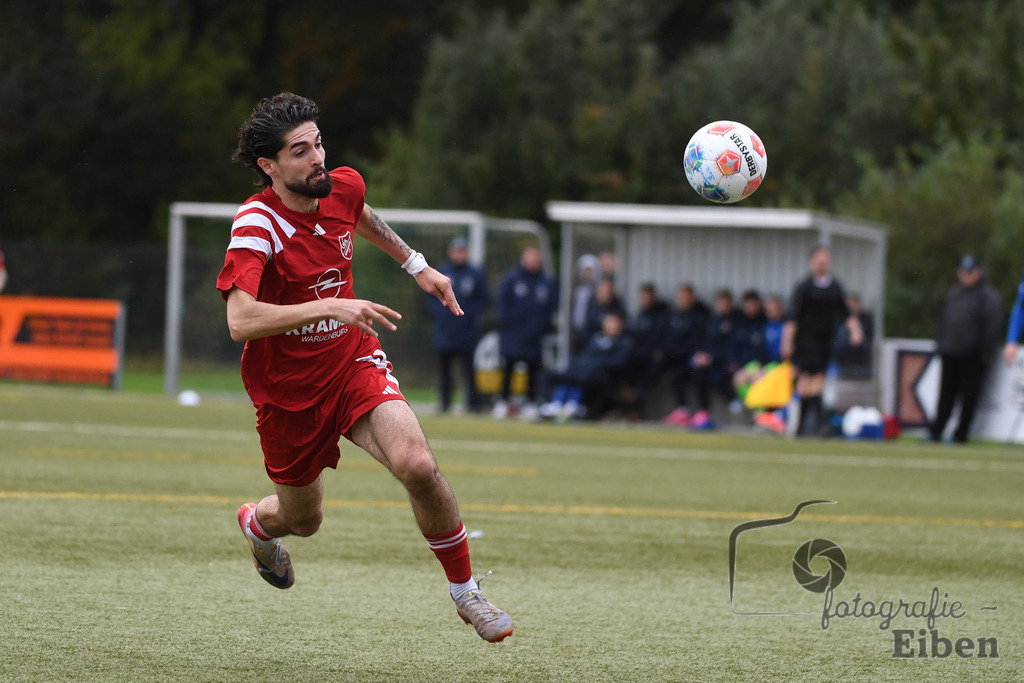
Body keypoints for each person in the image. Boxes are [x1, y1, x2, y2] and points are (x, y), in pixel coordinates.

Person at [217, 93, 512, 643]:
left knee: (418, 465)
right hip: (288, 393)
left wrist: (417, 265)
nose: (317, 158)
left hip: (353, 361)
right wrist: (332, 305)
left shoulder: (342, 185)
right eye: (300, 151)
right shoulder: (257, 224)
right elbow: (241, 319)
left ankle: (466, 592)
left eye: (318, 143)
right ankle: (258, 525)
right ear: (269, 166)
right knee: (303, 520)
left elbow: (362, 215)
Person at [781, 246, 863, 437]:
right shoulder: (804, 287)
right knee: (810, 380)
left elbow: (845, 312)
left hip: (826, 340)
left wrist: (855, 330)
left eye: (825, 259)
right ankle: (817, 423)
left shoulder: (835, 287)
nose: (822, 263)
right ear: (812, 262)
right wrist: (787, 341)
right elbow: (793, 317)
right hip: (806, 340)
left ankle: (804, 426)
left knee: (814, 382)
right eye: (819, 259)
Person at [928, 254, 1003, 444]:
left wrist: (985, 352)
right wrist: (940, 344)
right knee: (946, 396)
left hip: (973, 357)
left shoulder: (988, 296)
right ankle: (937, 431)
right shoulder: (955, 293)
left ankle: (960, 435)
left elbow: (993, 326)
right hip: (950, 352)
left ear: (978, 272)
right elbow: (945, 320)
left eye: (969, 272)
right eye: (962, 272)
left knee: (969, 398)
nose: (965, 276)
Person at [427, 236, 489, 414]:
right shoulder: (442, 271)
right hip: (445, 330)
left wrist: (469, 314)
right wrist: (441, 313)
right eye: (457, 251)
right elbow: (430, 298)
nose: (459, 255)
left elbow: (483, 299)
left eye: (463, 251)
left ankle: (472, 404)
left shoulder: (475, 273)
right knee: (445, 369)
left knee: (469, 369)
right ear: (451, 252)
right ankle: (445, 403)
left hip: (466, 331)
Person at [493, 246, 557, 419]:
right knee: (508, 369)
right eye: (530, 258)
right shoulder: (512, 278)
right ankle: (504, 401)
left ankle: (530, 403)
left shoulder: (545, 281)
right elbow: (501, 303)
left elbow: (551, 307)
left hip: (534, 336)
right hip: (513, 334)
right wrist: (510, 322)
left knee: (533, 371)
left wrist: (540, 326)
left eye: (536, 258)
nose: (533, 261)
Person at [540, 312, 633, 421]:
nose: (611, 325)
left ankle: (575, 405)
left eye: (613, 322)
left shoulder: (623, 342)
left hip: (601, 375)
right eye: (608, 322)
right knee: (555, 375)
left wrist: (596, 364)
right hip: (583, 370)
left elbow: (618, 362)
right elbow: (585, 356)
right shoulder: (596, 338)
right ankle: (555, 403)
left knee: (583, 378)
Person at [688, 288, 744, 429]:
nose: (723, 306)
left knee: (718, 375)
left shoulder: (736, 322)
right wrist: (701, 356)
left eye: (725, 303)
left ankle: (733, 401)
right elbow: (705, 343)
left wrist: (713, 357)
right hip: (711, 362)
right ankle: (703, 413)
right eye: (720, 303)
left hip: (727, 362)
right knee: (697, 372)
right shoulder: (712, 322)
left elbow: (731, 346)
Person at [661, 284, 710, 426]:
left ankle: (703, 412)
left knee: (700, 371)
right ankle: (681, 411)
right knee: (675, 372)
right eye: (680, 297)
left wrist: (700, 354)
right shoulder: (674, 317)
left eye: (686, 297)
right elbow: (670, 341)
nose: (683, 300)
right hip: (679, 359)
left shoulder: (700, 316)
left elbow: (700, 340)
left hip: (695, 358)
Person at [834, 293, 874, 378]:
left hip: (862, 362)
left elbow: (868, 342)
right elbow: (837, 344)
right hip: (842, 362)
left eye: (854, 304)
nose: (851, 308)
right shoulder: (840, 320)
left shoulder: (865, 319)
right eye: (849, 306)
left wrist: (857, 330)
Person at [569, 254, 600, 354]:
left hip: (589, 332)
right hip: (575, 330)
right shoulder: (576, 289)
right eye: (584, 271)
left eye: (589, 271)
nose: (586, 274)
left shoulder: (597, 291)